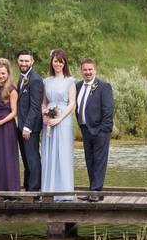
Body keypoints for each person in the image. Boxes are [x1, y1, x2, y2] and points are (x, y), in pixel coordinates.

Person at [75, 58, 114, 201]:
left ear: (95, 70)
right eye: (85, 70)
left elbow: (108, 111)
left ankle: (96, 192)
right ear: (81, 71)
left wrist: (103, 130)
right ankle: (93, 191)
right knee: (90, 161)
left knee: (99, 161)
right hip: (85, 130)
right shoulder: (78, 86)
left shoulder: (104, 87)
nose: (87, 72)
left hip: (100, 131)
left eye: (90, 69)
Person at [41, 49, 77, 201]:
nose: (58, 64)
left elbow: (72, 103)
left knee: (62, 152)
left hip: (63, 120)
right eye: (55, 61)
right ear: (52, 62)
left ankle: (64, 191)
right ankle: (49, 189)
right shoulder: (46, 81)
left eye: (60, 61)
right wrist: (44, 115)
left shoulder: (70, 81)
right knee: (49, 153)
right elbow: (44, 102)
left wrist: (59, 119)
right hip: (49, 119)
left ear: (64, 63)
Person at [0, 58, 20, 193]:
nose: (0, 76)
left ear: (8, 74)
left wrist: (0, 122)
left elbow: (14, 112)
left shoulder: (11, 90)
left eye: (3, 73)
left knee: (6, 157)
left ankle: (9, 189)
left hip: (6, 126)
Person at [15, 49, 44, 191]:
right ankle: (27, 186)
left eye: (26, 61)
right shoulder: (22, 77)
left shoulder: (36, 79)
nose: (24, 63)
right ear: (17, 61)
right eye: (21, 60)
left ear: (32, 61)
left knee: (32, 159)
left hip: (30, 127)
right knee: (26, 159)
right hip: (21, 125)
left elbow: (35, 106)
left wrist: (27, 127)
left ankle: (34, 190)